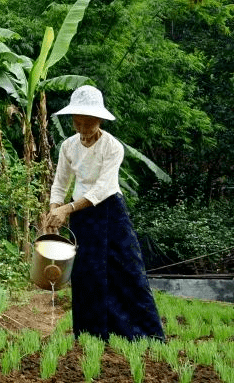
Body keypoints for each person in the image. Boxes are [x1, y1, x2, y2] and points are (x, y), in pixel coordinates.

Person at [43, 85, 165, 342]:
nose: (84, 129)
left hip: (111, 213)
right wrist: (54, 210)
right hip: (82, 218)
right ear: (73, 120)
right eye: (78, 123)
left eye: (90, 123)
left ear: (99, 120)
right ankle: (91, 334)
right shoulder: (68, 146)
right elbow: (60, 183)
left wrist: (68, 208)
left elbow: (103, 188)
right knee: (86, 274)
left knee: (127, 270)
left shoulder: (112, 147)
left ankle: (143, 334)